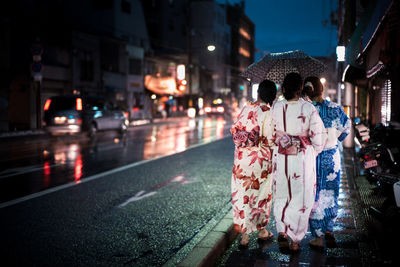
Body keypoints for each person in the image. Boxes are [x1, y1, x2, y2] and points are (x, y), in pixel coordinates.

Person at [271, 72, 326, 252]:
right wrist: (313, 150)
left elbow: (271, 134)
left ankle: (282, 231)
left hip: (281, 157)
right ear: (301, 88)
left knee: (281, 194)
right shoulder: (308, 108)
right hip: (302, 159)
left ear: (284, 89)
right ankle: (296, 240)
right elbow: (318, 137)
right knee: (302, 198)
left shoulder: (276, 107)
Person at [303, 76, 351, 249]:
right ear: (321, 89)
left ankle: (317, 236)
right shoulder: (334, 108)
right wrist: (336, 139)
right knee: (331, 193)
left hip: (312, 158)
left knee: (313, 194)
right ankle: (329, 230)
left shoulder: (306, 110)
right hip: (331, 158)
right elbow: (346, 127)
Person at [230, 79, 277, 247]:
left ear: (258, 93)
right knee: (261, 195)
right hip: (260, 161)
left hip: (242, 160)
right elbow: (271, 140)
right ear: (273, 96)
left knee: (242, 195)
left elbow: (235, 130)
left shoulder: (245, 109)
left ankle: (244, 236)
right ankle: (262, 231)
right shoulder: (268, 112)